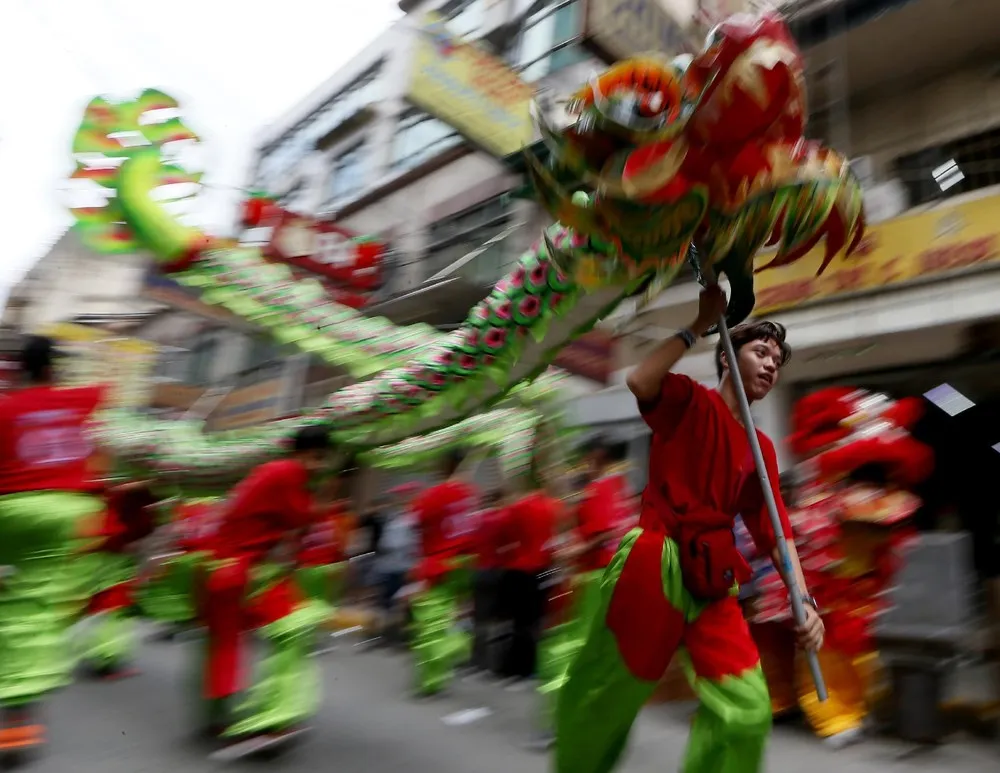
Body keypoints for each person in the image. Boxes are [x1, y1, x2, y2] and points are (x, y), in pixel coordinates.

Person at [554, 287, 825, 773]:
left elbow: (775, 530)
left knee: (748, 710)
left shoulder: (762, 448)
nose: (771, 364)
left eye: (777, 359)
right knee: (608, 693)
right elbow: (640, 380)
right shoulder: (688, 400)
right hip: (655, 560)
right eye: (760, 352)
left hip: (714, 579)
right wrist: (697, 324)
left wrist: (803, 600)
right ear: (726, 357)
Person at [0, 335, 107, 758]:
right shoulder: (82, 400)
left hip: (10, 510)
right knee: (39, 606)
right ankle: (19, 720)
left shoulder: (6, 407)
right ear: (52, 369)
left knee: (16, 602)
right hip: (66, 512)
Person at [198, 425, 332, 756]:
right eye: (319, 458)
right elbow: (301, 519)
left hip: (223, 570)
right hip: (249, 571)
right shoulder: (288, 472)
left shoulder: (266, 472)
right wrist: (324, 498)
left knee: (224, 647)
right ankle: (276, 719)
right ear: (307, 453)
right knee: (293, 630)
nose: (320, 466)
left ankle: (219, 719)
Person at [409, 449, 479, 697]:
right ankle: (433, 679)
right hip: (465, 563)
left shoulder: (435, 494)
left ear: (447, 464)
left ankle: (455, 648)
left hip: (440, 564)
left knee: (430, 625)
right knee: (449, 616)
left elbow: (416, 520)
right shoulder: (470, 494)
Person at [501, 483, 560, 682]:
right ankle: (535, 665)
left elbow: (506, 535)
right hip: (543, 568)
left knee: (519, 621)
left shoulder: (517, 507)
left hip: (519, 570)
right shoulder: (551, 506)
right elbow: (553, 539)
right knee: (538, 618)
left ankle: (517, 666)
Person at [469, 489, 510, 674]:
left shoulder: (478, 520)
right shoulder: (504, 518)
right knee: (502, 619)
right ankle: (497, 661)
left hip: (480, 570)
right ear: (500, 500)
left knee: (480, 618)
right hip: (499, 572)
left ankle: (478, 660)